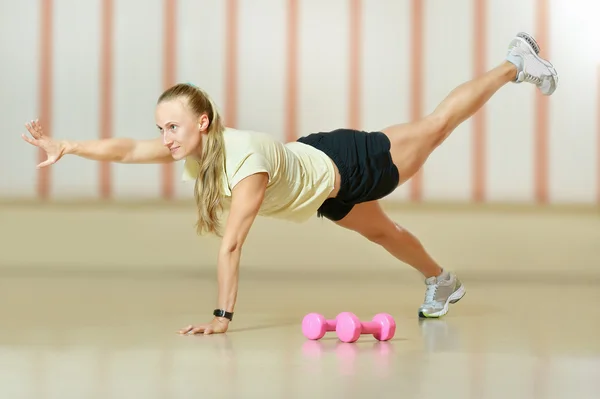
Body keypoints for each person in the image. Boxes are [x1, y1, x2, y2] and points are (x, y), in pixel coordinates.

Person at [22, 32, 557, 335]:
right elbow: (126, 150)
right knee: (384, 234)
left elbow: (232, 243)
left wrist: (221, 316)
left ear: (202, 122)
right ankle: (442, 282)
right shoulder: (199, 154)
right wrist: (67, 147)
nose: (164, 137)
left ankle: (515, 61)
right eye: (162, 128)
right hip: (322, 187)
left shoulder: (245, 164)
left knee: (436, 127)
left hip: (344, 161)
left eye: (173, 126)